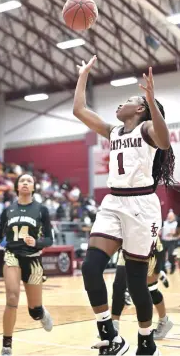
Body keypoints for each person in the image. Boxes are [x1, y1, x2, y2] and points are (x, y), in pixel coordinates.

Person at [73, 56, 175, 356]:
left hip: (142, 206)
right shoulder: (113, 131)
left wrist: (152, 101)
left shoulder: (146, 132)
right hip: (114, 201)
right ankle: (110, 335)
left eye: (127, 101)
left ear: (140, 109)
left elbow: (166, 141)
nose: (119, 106)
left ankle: (146, 342)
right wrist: (83, 77)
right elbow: (79, 110)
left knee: (135, 281)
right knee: (91, 267)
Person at [0, 173, 54, 356]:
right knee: (12, 299)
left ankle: (41, 313)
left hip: (33, 259)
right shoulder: (9, 210)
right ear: (16, 186)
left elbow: (49, 239)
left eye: (29, 180)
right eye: (22, 180)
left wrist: (36, 243)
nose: (25, 183)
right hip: (12, 256)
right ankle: (7, 345)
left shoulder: (41, 210)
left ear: (34, 187)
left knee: (34, 311)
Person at [111, 239, 173, 340]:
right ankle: (113, 326)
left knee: (151, 290)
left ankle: (164, 321)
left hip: (150, 247)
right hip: (128, 247)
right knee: (118, 286)